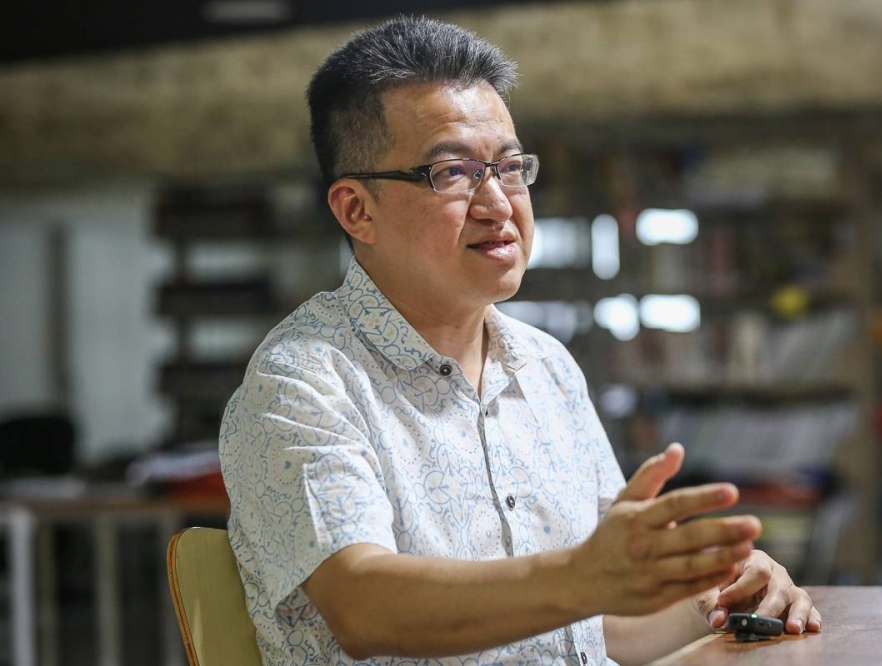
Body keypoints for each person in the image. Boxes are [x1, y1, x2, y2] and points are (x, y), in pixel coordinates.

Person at [219, 16, 820, 666]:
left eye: (509, 167)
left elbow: (603, 622)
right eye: (452, 173)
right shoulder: (303, 380)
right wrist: (577, 579)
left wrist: (718, 601)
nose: (500, 203)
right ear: (356, 210)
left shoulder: (547, 366)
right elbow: (363, 607)